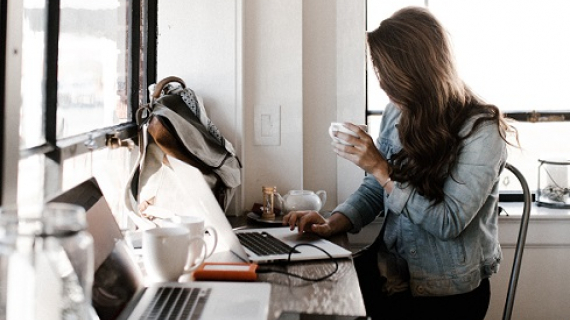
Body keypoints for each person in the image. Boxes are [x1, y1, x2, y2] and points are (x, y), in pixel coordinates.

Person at [283, 6, 516, 320]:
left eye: (387, 74)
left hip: (445, 292)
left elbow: (447, 223)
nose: (382, 84)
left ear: (418, 70)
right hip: (391, 270)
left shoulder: (482, 131)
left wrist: (381, 167)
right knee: (302, 293)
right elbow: (376, 189)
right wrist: (332, 222)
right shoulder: (397, 112)